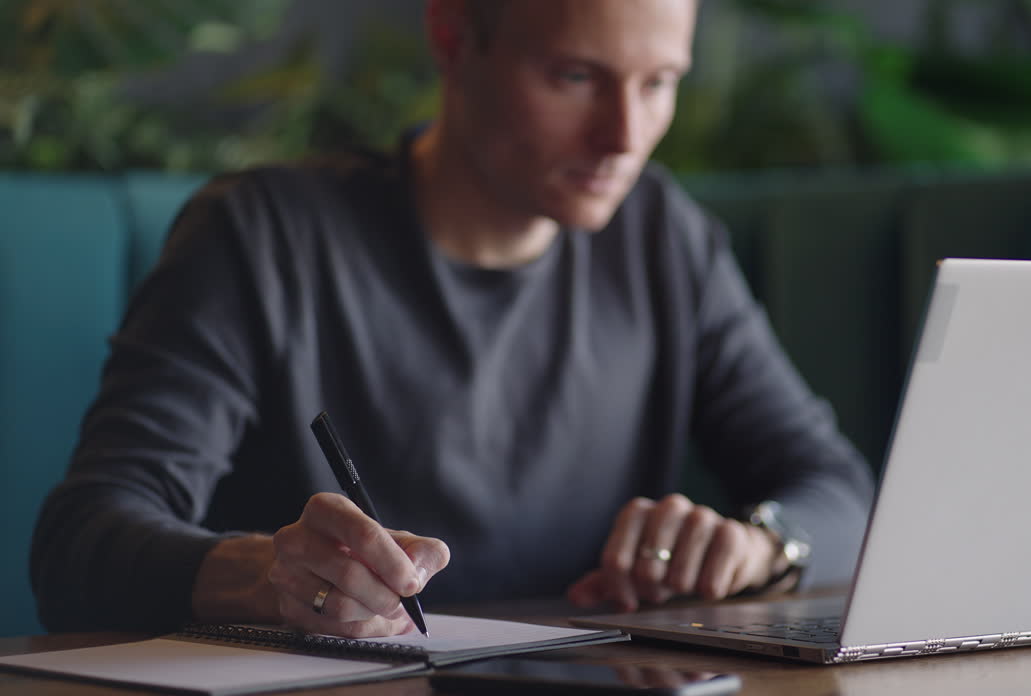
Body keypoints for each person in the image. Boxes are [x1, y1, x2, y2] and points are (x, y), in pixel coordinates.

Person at [31, 0, 874, 637]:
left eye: (659, 84)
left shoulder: (663, 238)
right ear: (452, 35)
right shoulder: (263, 237)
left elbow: (842, 493)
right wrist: (264, 576)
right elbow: (80, 541)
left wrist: (764, 548)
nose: (624, 135)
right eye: (574, 77)